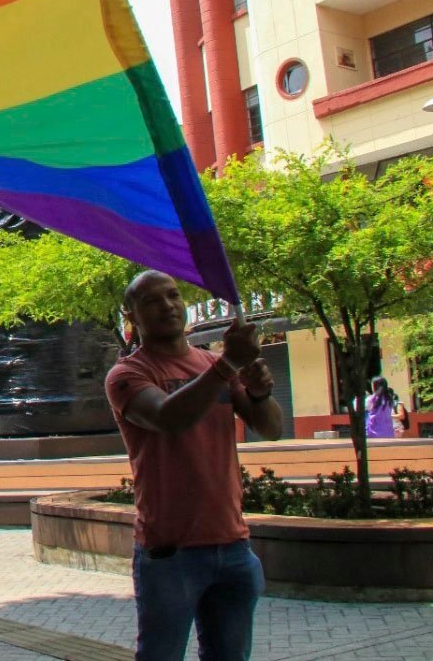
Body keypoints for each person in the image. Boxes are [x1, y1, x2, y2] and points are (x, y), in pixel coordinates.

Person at [105, 271, 284, 661]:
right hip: (171, 553)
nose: (167, 305)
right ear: (131, 314)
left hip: (233, 544)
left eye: (173, 295)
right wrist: (228, 364)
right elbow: (168, 418)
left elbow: (270, 427)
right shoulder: (128, 375)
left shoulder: (212, 364)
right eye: (152, 300)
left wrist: (260, 391)